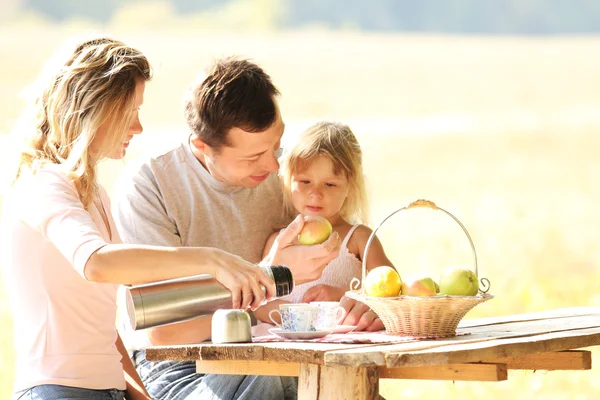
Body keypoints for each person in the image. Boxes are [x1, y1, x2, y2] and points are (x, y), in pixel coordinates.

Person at [0, 37, 277, 400]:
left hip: (108, 389)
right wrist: (211, 260)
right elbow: (96, 263)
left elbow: (100, 332)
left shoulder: (92, 193)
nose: (138, 127)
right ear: (95, 109)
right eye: (131, 112)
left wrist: (139, 393)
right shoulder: (43, 182)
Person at [113, 57, 381, 400]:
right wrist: (270, 278)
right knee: (282, 384)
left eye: (277, 145)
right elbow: (166, 333)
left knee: (340, 387)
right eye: (253, 157)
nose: (273, 166)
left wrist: (365, 300)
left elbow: (349, 245)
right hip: (182, 365)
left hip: (276, 348)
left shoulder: (284, 177)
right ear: (202, 147)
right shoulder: (150, 187)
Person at [255, 121, 394, 331]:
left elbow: (393, 288)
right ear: (287, 181)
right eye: (304, 181)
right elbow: (260, 304)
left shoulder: (358, 238)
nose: (315, 194)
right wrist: (299, 314)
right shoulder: (279, 242)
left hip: (342, 343)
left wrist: (342, 295)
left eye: (330, 184)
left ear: (350, 187)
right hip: (288, 344)